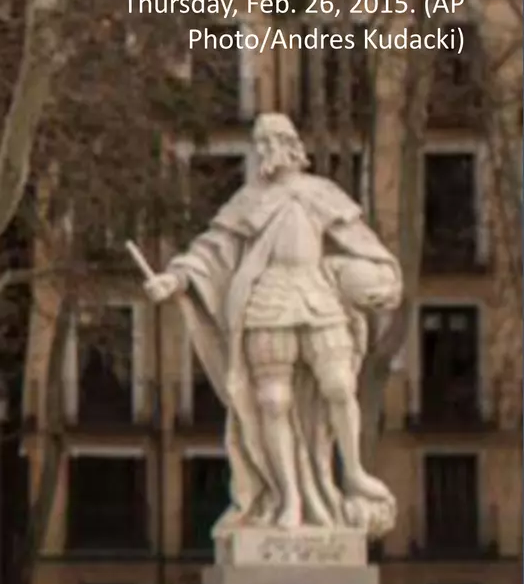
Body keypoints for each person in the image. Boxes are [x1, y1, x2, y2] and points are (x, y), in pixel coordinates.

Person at [143, 112, 400, 534]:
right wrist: (176, 277)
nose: (264, 151)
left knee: (338, 385)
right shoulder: (248, 201)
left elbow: (362, 244)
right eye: (259, 144)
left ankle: (352, 471)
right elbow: (211, 250)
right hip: (268, 302)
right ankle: (289, 498)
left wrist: (381, 279)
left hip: (317, 296)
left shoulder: (322, 193)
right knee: (273, 403)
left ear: (291, 144)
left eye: (270, 141)